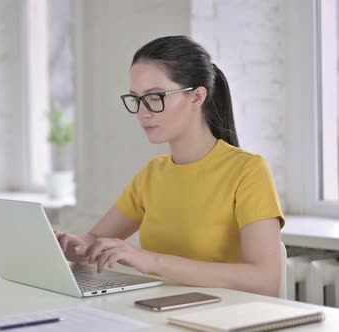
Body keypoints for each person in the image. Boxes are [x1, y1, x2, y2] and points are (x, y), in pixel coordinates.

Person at [55, 35, 284, 297]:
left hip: (224, 316)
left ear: (197, 97)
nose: (143, 112)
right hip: (161, 310)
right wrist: (78, 249)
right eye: (136, 99)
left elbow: (265, 279)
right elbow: (95, 239)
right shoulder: (153, 173)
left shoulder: (248, 170)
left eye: (155, 97)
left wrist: (151, 260)